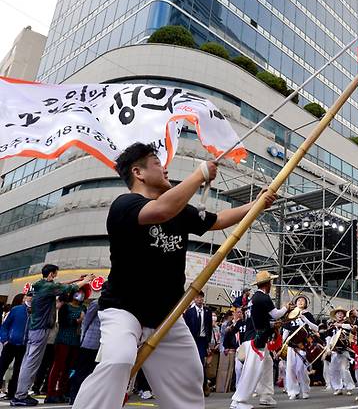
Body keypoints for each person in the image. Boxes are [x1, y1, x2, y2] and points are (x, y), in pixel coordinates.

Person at [72, 142, 276, 409]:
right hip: (123, 309)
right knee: (119, 359)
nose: (165, 168)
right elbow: (160, 211)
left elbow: (218, 220)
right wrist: (198, 175)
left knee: (190, 375)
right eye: (157, 163)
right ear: (138, 172)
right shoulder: (125, 204)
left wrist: (257, 204)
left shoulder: (179, 209)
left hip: (166, 314)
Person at [11, 265, 93, 407]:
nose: (55, 277)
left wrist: (77, 279)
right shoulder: (47, 288)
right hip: (40, 330)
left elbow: (60, 285)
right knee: (31, 363)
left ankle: (20, 394)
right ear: (50, 274)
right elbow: (67, 289)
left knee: (28, 362)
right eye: (54, 275)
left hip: (34, 329)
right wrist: (85, 281)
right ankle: (20, 396)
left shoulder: (40, 285)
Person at [231, 270, 293, 409]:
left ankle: (266, 395)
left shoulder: (255, 298)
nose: (272, 284)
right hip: (256, 340)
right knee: (251, 369)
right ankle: (238, 401)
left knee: (267, 364)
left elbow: (260, 320)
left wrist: (271, 324)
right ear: (267, 284)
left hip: (255, 337)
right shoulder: (263, 297)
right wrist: (286, 308)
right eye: (271, 282)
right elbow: (276, 314)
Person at [46, 288, 87, 403]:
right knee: (58, 366)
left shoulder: (83, 308)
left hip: (75, 341)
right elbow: (63, 322)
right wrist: (77, 321)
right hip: (63, 339)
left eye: (83, 293)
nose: (80, 295)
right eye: (78, 292)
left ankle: (61, 392)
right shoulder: (65, 307)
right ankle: (50, 392)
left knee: (68, 368)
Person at [283, 295, 317, 400]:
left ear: (306, 303)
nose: (300, 301)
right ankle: (293, 391)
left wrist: (305, 319)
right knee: (290, 369)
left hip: (303, 345)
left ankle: (305, 390)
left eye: (302, 300)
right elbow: (286, 329)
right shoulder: (290, 315)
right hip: (291, 345)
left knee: (301, 369)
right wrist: (283, 343)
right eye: (298, 300)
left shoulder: (308, 315)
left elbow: (315, 328)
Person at [0, 292, 32, 400]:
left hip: (24, 346)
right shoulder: (16, 310)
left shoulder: (36, 312)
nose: (31, 298)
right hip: (11, 343)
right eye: (29, 296)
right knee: (2, 366)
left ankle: (12, 393)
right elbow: (5, 326)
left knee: (18, 370)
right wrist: (4, 339)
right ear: (25, 298)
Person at [69, 298, 101, 404]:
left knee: (92, 372)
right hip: (89, 342)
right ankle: (74, 396)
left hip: (101, 345)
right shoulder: (97, 303)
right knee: (82, 371)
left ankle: (86, 396)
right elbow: (86, 321)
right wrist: (82, 338)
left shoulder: (115, 304)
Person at [183, 291, 213, 397]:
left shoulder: (208, 311)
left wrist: (209, 343)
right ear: (194, 299)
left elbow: (209, 328)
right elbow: (186, 328)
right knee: (191, 363)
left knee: (201, 362)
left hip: (202, 340)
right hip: (192, 340)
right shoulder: (189, 312)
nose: (200, 299)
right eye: (197, 297)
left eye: (201, 297)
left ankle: (203, 385)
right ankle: (192, 386)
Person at [326, 307, 355, 396]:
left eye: (341, 313)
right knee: (333, 370)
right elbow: (328, 338)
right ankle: (338, 387)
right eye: (338, 313)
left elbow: (351, 328)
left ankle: (349, 387)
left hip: (344, 350)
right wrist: (328, 348)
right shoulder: (331, 326)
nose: (340, 315)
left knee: (344, 369)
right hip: (334, 350)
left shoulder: (347, 324)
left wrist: (340, 326)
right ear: (335, 315)